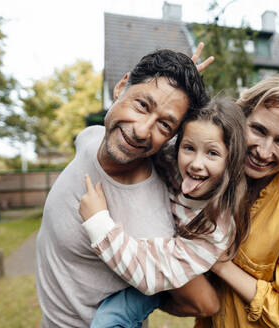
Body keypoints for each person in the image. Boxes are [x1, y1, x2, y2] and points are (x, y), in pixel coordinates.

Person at [35, 48, 216, 327]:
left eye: (165, 125)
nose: (143, 130)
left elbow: (204, 302)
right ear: (121, 86)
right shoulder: (92, 137)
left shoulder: (149, 222)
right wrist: (180, 77)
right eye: (142, 105)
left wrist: (146, 295)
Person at [78, 98, 250, 327]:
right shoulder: (169, 160)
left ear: (232, 159)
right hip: (148, 255)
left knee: (108, 320)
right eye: (189, 148)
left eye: (212, 153)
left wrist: (98, 223)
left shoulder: (215, 228)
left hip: (166, 273)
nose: (196, 163)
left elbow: (150, 277)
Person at [195, 74, 279, 327]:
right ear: (240, 118)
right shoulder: (215, 173)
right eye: (258, 130)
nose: (264, 152)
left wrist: (221, 265)